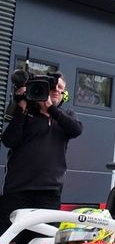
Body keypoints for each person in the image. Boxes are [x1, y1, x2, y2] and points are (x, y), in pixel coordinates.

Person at [0, 71, 83, 234]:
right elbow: (9, 141)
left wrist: (51, 109)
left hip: (49, 192)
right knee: (7, 239)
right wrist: (21, 107)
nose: (57, 90)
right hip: (17, 189)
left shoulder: (66, 115)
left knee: (42, 240)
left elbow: (76, 130)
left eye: (61, 88)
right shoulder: (26, 113)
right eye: (53, 86)